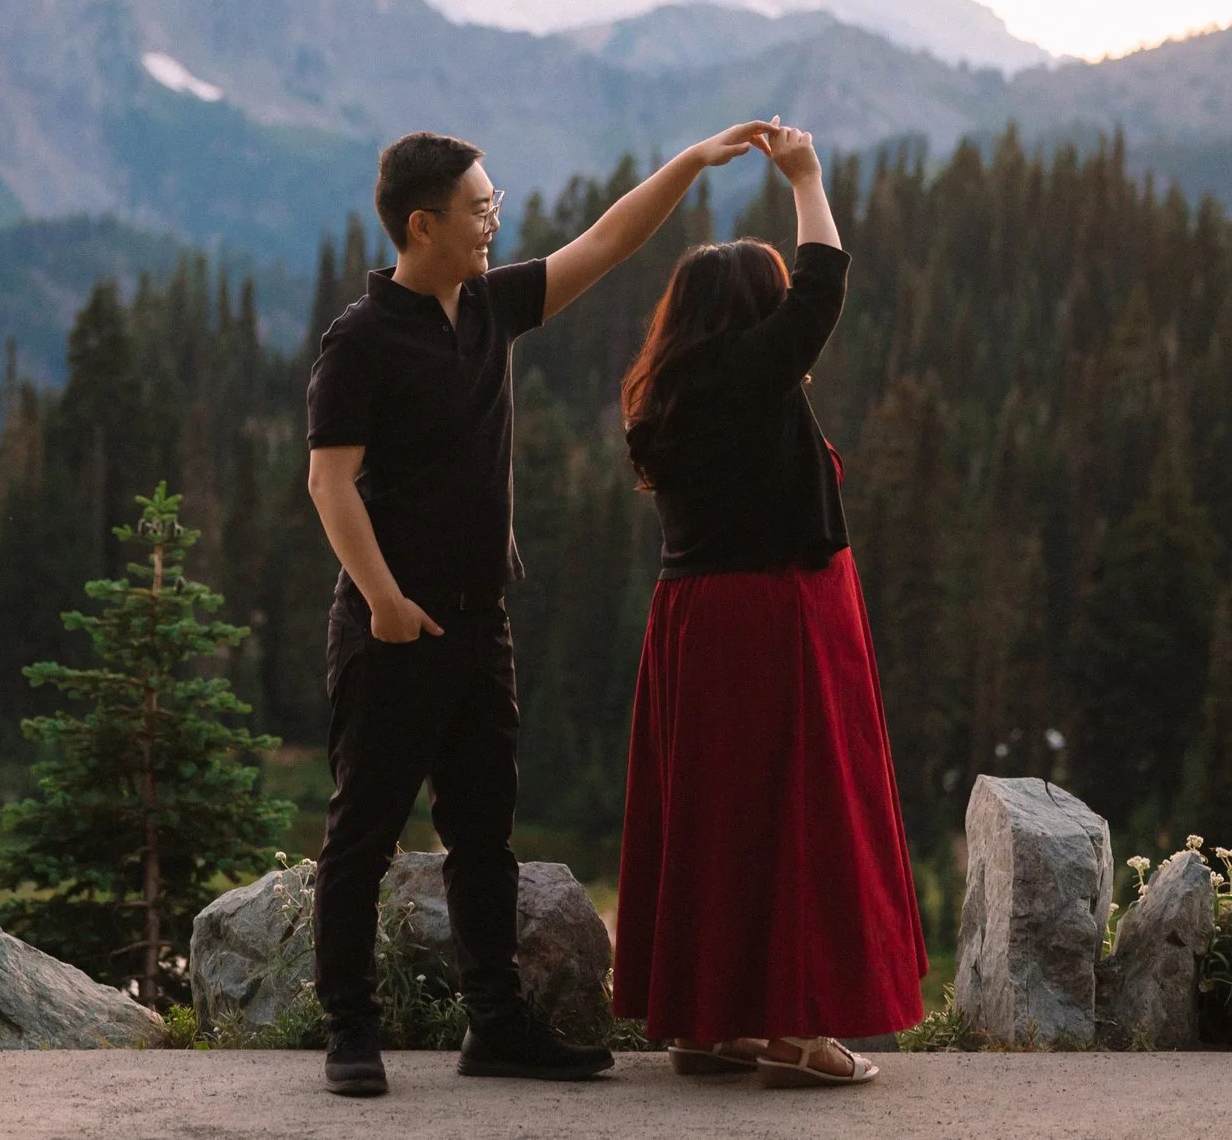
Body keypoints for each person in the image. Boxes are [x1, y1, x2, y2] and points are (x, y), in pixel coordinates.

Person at [306, 122, 771, 1097]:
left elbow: (602, 243)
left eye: (494, 206)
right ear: (421, 223)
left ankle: (496, 1024)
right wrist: (386, 600)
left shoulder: (487, 305)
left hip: (480, 622)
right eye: (479, 209)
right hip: (392, 628)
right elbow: (330, 483)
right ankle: (350, 1028)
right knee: (364, 831)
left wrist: (690, 162)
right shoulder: (362, 337)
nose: (493, 221)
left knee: (483, 830)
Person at [611, 119, 927, 1089]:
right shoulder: (750, 375)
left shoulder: (659, 393)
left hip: (690, 623)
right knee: (796, 815)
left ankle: (709, 1020)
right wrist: (805, 175)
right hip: (772, 619)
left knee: (713, 819)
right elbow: (824, 278)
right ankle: (792, 1030)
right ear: (755, 315)